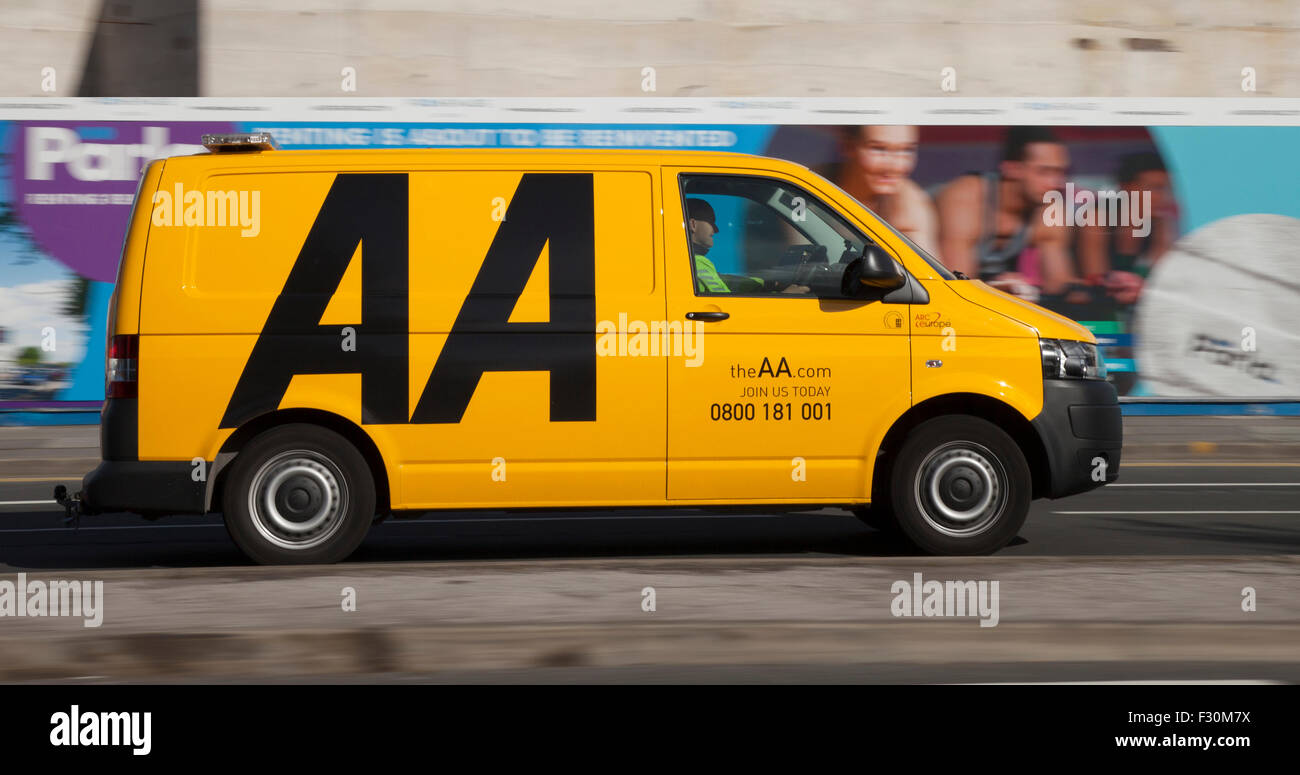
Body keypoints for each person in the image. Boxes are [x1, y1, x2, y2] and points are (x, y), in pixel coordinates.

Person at [934, 126, 1076, 299]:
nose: (1057, 183)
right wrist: (998, 292)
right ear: (1011, 169)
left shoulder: (1050, 208)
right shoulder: (964, 199)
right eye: (1044, 172)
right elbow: (954, 291)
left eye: (1061, 172)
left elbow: (1060, 290)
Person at [1076, 151, 1177, 305]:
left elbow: (1162, 279)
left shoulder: (1159, 224)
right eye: (1154, 188)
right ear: (1127, 188)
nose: (1162, 197)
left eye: (1166, 189)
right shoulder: (1095, 216)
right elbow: (1096, 280)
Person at [837, 125, 939, 255]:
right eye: (878, 148)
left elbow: (927, 272)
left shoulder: (910, 204)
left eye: (906, 150)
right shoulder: (809, 190)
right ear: (848, 146)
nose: (894, 166)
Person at [686, 198, 808, 295]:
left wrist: (766, 284)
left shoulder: (693, 262)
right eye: (711, 222)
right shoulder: (697, 263)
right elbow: (728, 306)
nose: (715, 230)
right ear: (693, 224)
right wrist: (785, 296)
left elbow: (729, 282)